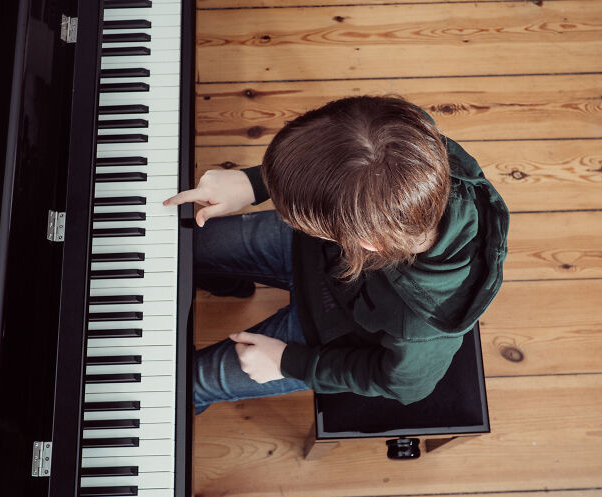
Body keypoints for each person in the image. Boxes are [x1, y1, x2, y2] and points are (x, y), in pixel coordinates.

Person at [164, 95, 509, 415]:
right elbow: (343, 164)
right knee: (185, 245)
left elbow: (405, 385)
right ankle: (230, 285)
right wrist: (256, 183)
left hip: (328, 333)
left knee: (187, 383)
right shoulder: (406, 135)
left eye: (294, 216)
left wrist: (289, 363)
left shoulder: (424, 328)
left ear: (366, 242)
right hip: (316, 252)